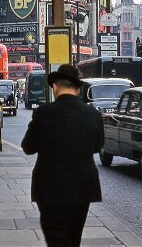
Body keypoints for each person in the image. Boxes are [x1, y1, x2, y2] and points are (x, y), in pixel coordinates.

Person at [21, 64, 104, 247]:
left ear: (55, 86)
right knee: (74, 236)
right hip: (83, 185)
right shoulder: (93, 114)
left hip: (50, 186)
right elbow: (98, 146)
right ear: (78, 88)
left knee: (56, 236)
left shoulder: (43, 113)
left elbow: (28, 147)